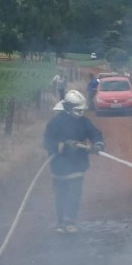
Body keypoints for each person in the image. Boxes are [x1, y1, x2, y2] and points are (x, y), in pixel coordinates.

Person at [43, 90, 104, 233]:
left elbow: (95, 134)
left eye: (82, 110)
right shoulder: (55, 122)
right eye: (77, 110)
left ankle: (70, 221)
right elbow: (47, 142)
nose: (80, 113)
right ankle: (60, 223)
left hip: (78, 165)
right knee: (61, 195)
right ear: (69, 107)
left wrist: (97, 145)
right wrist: (63, 145)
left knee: (75, 193)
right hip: (59, 166)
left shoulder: (84, 122)